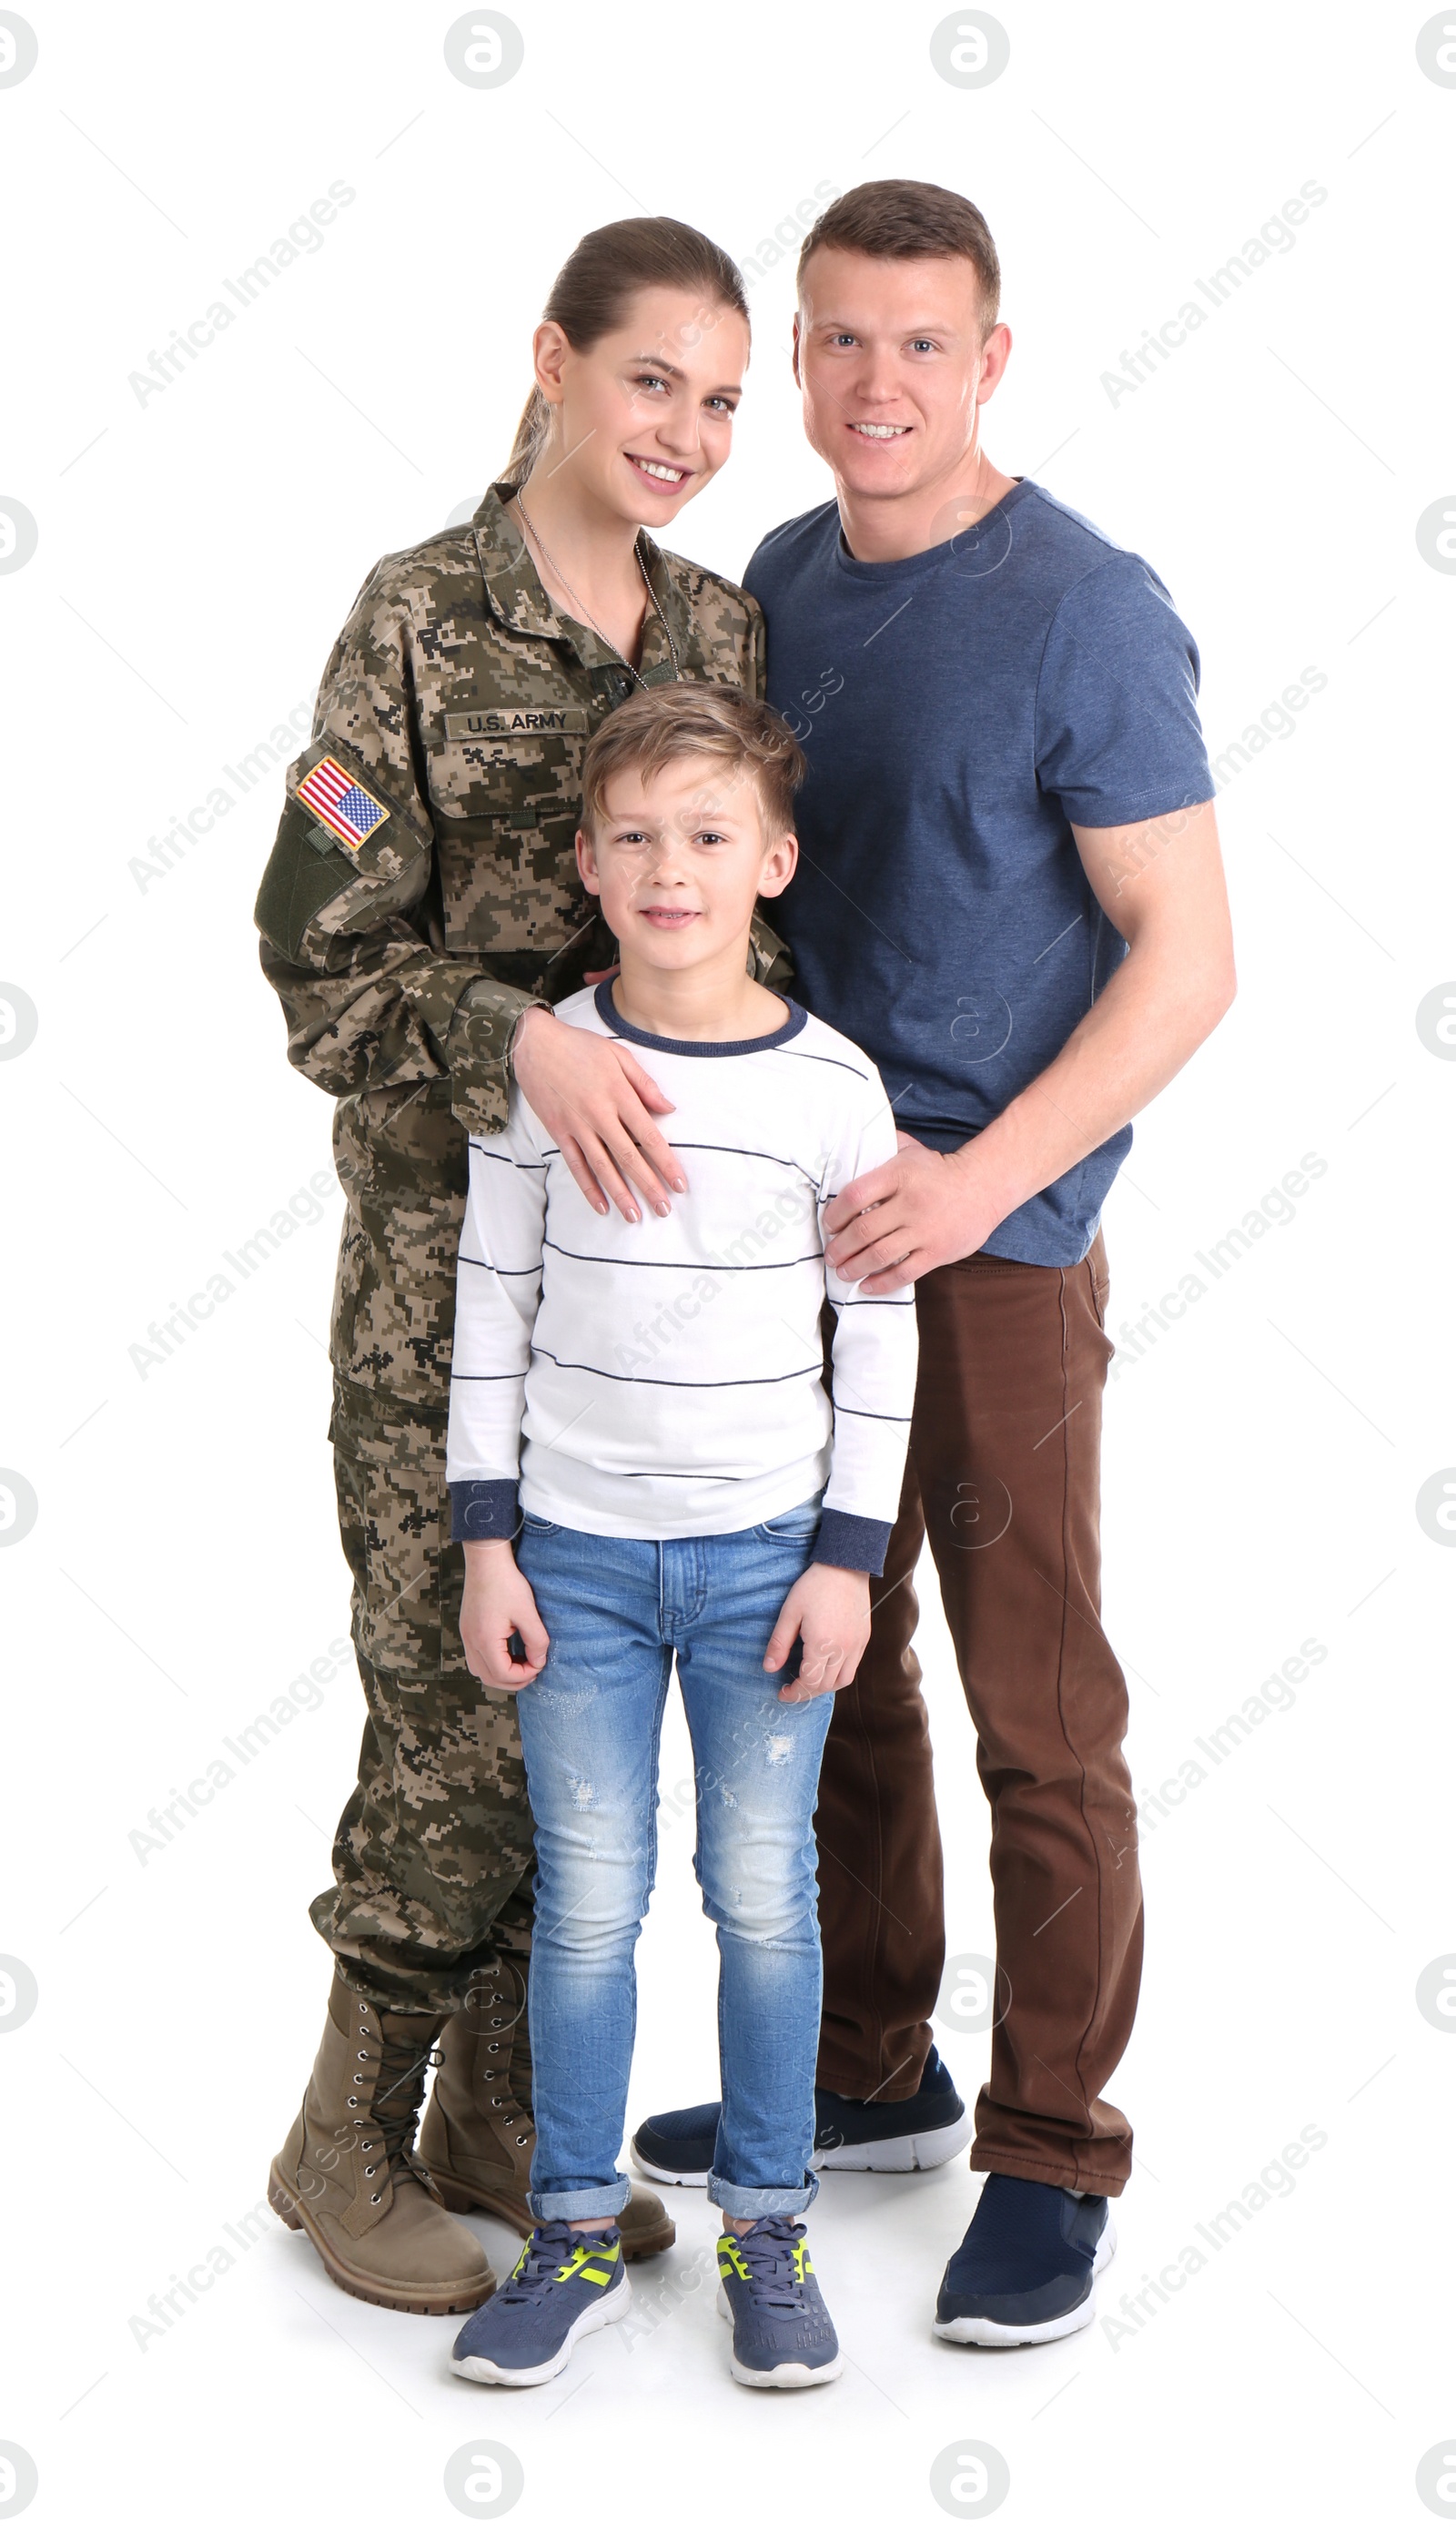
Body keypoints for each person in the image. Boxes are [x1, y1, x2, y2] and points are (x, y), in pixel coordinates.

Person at [630, 179, 1237, 2348]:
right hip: (786, 1230)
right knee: (830, 1651)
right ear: (796, 363)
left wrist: (982, 1188)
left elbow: (1190, 958)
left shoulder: (1082, 606)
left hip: (986, 1244)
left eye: (917, 342)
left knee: (1036, 1708)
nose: (872, 383)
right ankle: (871, 2067)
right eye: (835, 341)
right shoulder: (785, 576)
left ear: (990, 359)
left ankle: (1050, 2146)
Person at [257, 216, 790, 2315]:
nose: (685, 431)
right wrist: (522, 1039)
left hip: (650, 1280)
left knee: (584, 1718)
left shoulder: (721, 637)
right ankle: (340, 2138)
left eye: (722, 398)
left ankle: (501, 2115)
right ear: (554, 364)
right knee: (453, 1707)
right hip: (442, 1270)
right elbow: (313, 964)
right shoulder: (410, 617)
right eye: (652, 379)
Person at [444, 683, 916, 2392]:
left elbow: (881, 1330)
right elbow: (490, 1305)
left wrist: (847, 1558)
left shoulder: (831, 1088)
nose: (670, 868)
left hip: (762, 1566)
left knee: (763, 1898)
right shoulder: (553, 1068)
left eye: (709, 836)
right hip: (569, 1556)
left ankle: (767, 2224)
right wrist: (488, 1544)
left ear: (773, 862)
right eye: (634, 835)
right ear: (586, 858)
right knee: (589, 1903)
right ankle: (572, 2223)